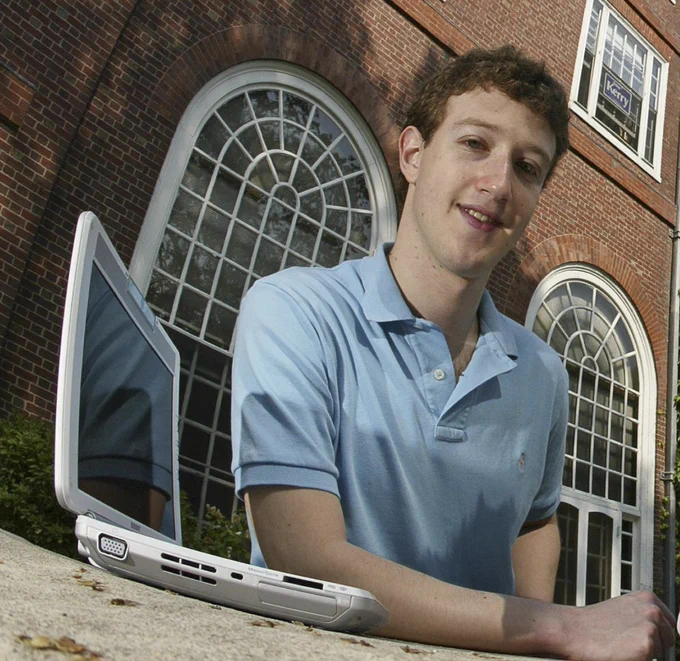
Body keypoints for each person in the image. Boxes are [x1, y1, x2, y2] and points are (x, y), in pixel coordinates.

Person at [230, 46, 676, 659]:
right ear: (413, 154)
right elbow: (304, 558)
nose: (498, 184)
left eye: (527, 167)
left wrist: (531, 637)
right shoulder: (294, 312)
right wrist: (556, 627)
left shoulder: (543, 373)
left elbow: (536, 522)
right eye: (474, 144)